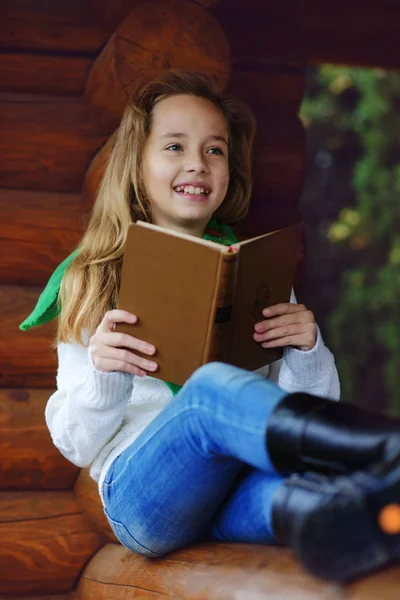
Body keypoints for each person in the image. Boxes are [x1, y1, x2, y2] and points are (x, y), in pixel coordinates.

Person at [20, 70, 400, 583]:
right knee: (211, 390)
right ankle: (384, 445)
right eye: (174, 146)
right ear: (137, 164)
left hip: (234, 491)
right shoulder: (92, 279)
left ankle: (368, 523)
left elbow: (305, 409)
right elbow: (76, 445)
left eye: (215, 150)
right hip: (144, 497)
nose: (197, 163)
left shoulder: (257, 271)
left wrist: (306, 352)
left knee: (305, 498)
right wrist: (103, 372)